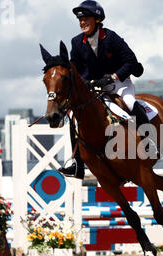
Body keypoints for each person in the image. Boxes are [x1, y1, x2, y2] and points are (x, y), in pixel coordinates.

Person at [59, 0, 148, 179]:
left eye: (86, 18)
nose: (82, 22)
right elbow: (76, 70)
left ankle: (149, 141)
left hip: (118, 83)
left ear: (97, 19)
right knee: (75, 118)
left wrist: (114, 76)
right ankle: (77, 163)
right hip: (95, 88)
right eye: (80, 19)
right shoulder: (76, 42)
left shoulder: (111, 38)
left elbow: (131, 61)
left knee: (130, 104)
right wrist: (85, 83)